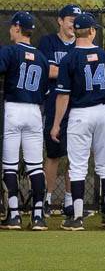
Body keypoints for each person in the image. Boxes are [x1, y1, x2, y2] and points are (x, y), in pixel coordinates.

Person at [50, 12, 105, 230]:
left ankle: (77, 217)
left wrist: (56, 124)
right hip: (103, 112)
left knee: (79, 167)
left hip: (80, 113)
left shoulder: (69, 58)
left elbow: (63, 95)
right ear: (92, 31)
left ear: (76, 31)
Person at [0, 12, 51, 231]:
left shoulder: (9, 51)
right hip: (34, 111)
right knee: (35, 166)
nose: (10, 30)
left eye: (12, 27)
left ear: (18, 28)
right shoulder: (41, 57)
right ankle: (38, 216)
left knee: (9, 166)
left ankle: (14, 216)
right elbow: (45, 89)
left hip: (13, 108)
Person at [37, 3, 80, 216]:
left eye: (76, 20)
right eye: (70, 19)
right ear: (60, 20)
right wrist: (71, 72)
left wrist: (61, 71)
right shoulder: (48, 42)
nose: (74, 23)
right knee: (53, 155)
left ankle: (70, 203)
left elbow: (58, 71)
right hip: (54, 105)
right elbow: (47, 71)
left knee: (74, 156)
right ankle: (45, 199)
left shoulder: (81, 43)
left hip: (77, 108)